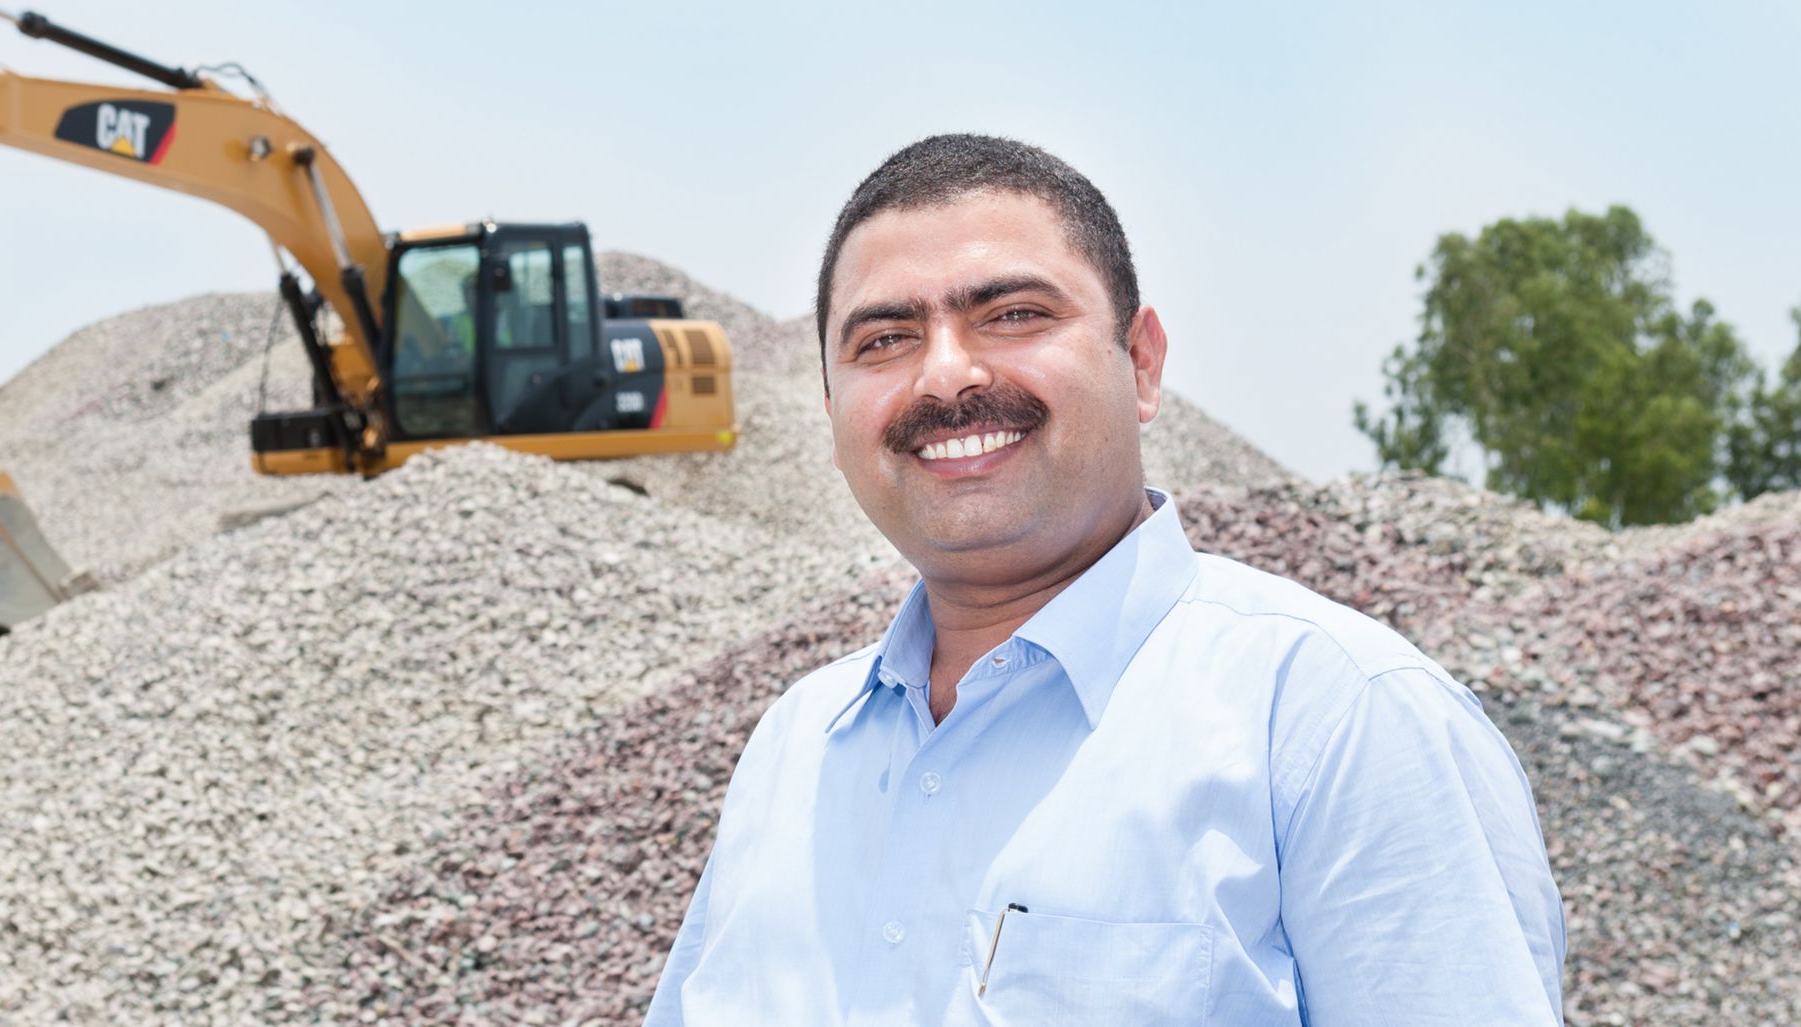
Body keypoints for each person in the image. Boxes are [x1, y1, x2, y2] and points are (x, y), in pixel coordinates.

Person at [644, 135, 1564, 1026]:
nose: (945, 375)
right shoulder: (794, 752)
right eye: (885, 338)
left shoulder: (1334, 722)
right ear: (830, 405)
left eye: (1013, 315)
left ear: (1143, 362)